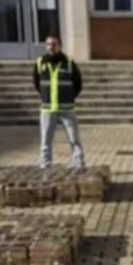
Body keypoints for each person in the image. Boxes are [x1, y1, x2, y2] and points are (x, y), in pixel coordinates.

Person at [33, 34, 84, 169]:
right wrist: (46, 97)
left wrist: (69, 97)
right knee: (45, 141)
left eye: (54, 44)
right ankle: (45, 165)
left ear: (60, 46)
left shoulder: (69, 63)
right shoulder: (40, 63)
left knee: (74, 139)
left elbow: (78, 84)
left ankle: (78, 164)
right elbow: (37, 84)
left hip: (67, 109)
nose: (51, 47)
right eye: (48, 44)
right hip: (47, 109)